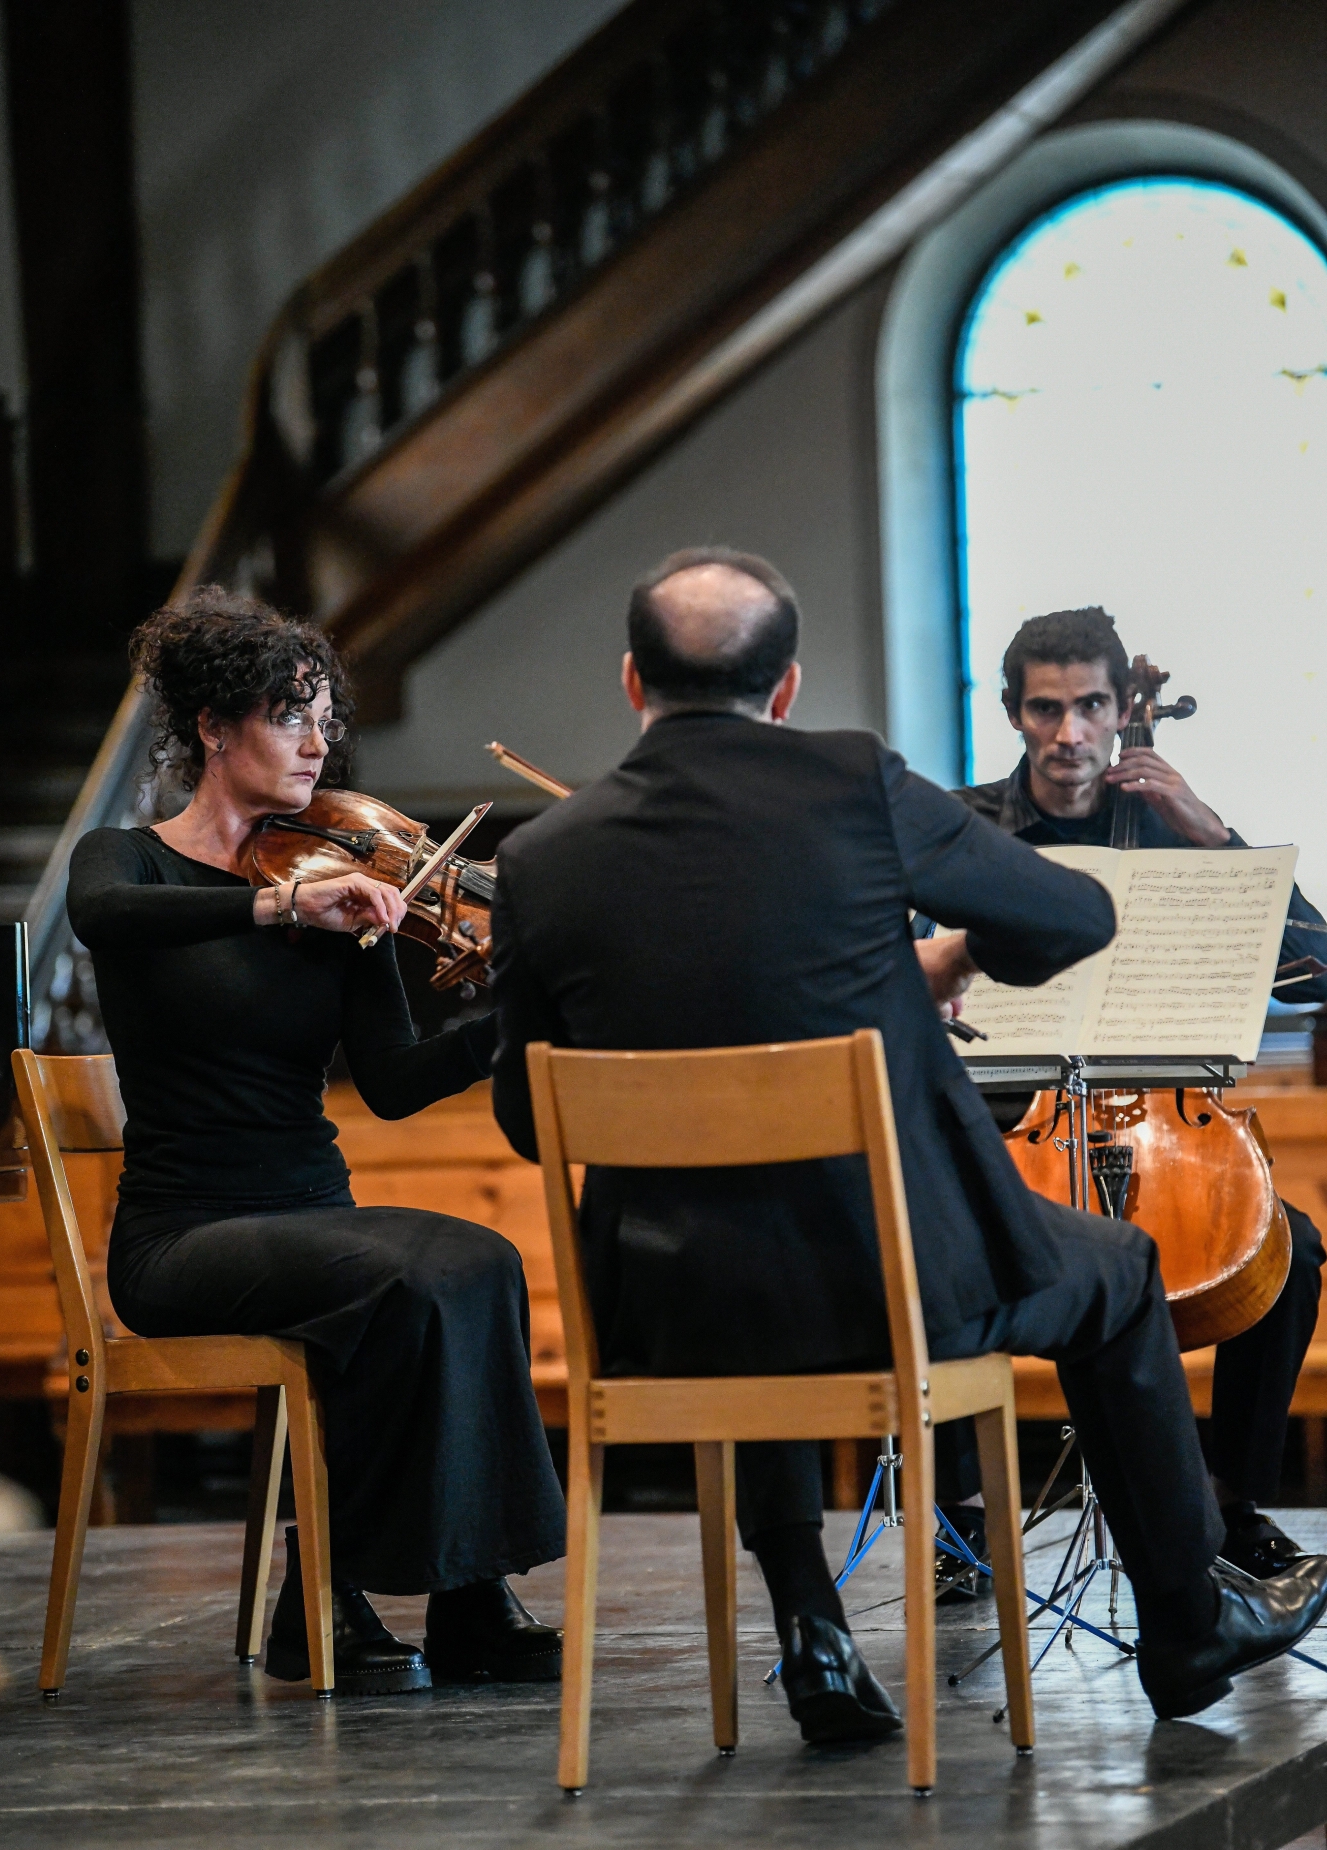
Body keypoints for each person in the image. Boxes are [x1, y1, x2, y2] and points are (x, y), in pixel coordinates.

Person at [489, 547, 1327, 1744]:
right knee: (1122, 1269)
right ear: (784, 689)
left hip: (664, 1306)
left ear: (633, 682)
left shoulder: (537, 858)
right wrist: (947, 954)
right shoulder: (853, 782)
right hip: (897, 1284)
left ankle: (811, 1627)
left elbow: (527, 1115)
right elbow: (1072, 911)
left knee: (744, 1284)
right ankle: (1188, 1623)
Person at [66, 588, 566, 1696]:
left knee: (476, 1259)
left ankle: (465, 1597)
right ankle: (320, 1593)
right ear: (212, 727)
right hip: (184, 1234)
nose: (318, 739)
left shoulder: (344, 883)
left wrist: (511, 1015)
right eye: (293, 713)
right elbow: (102, 919)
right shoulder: (132, 862)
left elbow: (388, 1084)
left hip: (311, 1220)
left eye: (326, 717)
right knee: (407, 1275)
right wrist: (286, 909)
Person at [929, 606, 1325, 1596]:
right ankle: (957, 1520)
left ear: (1118, 710)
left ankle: (1228, 1506)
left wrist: (1215, 834)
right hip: (1012, 1121)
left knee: (1293, 1245)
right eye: (1047, 708)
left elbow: (1320, 973)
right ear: (1015, 712)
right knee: (936, 1226)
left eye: (1091, 706)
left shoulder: (1171, 823)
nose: (1070, 734)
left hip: (1163, 1119)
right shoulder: (961, 825)